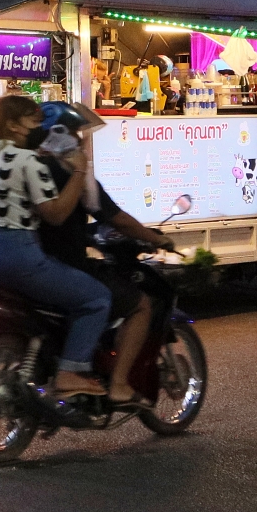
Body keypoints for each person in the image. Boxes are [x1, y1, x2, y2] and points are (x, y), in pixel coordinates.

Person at [0, 96, 113, 399]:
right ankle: (70, 371)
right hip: (13, 257)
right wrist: (79, 171)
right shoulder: (28, 161)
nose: (39, 127)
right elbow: (56, 214)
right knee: (96, 299)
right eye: (33, 120)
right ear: (13, 125)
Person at [32, 102, 173, 407]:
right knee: (139, 305)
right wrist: (156, 238)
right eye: (75, 133)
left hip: (28, 264)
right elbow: (115, 218)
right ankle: (119, 385)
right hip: (63, 267)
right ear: (57, 134)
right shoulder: (73, 173)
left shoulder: (29, 166)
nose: (81, 140)